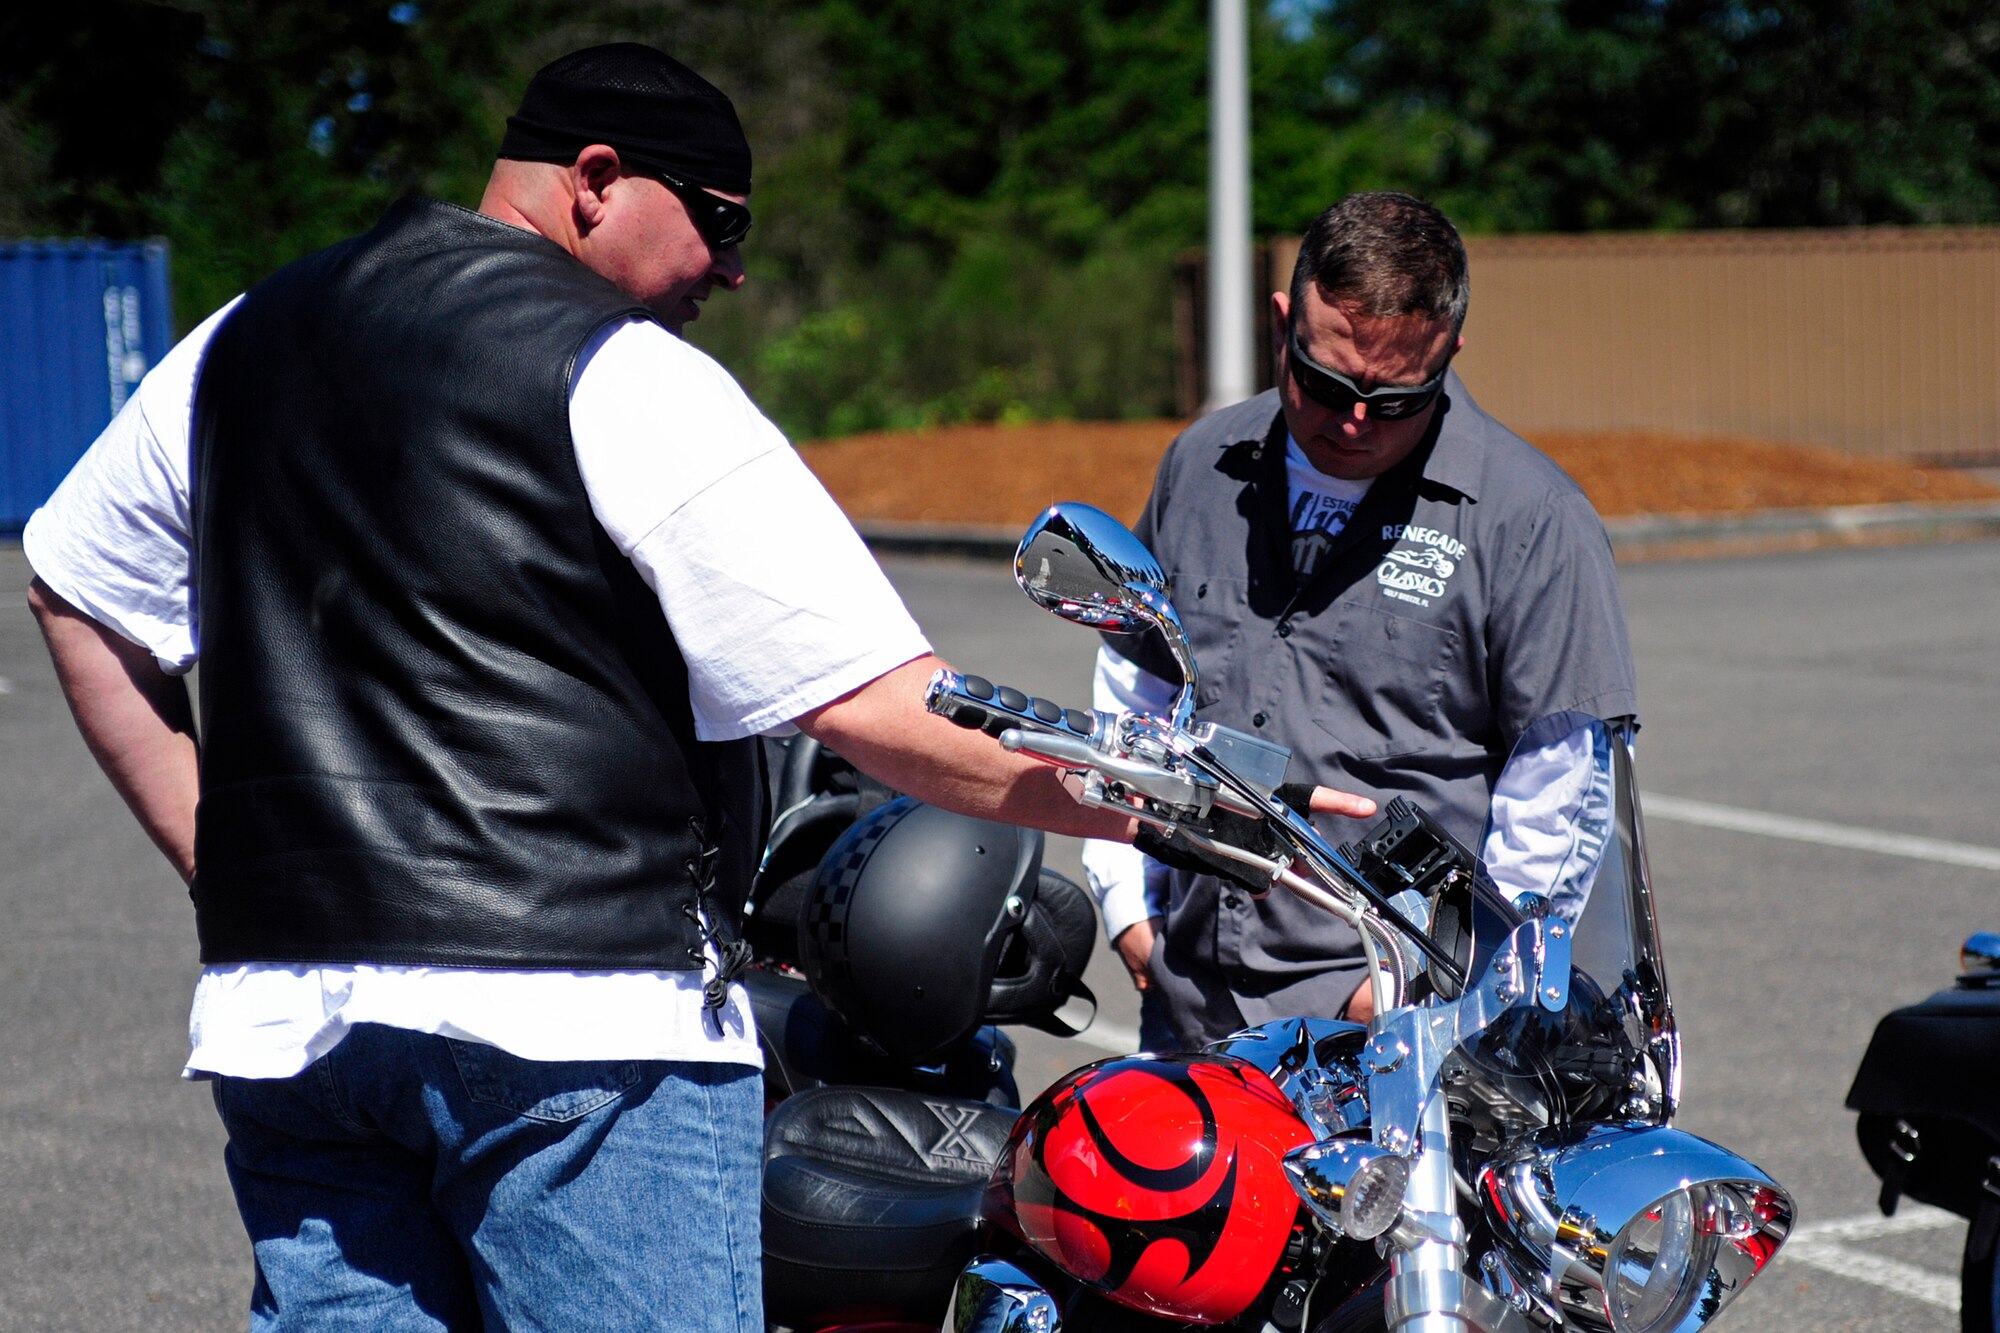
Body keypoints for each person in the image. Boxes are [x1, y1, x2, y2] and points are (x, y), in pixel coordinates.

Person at [24, 43, 1373, 1332]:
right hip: (580, 1023)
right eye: (719, 223)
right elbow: (888, 713)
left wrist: (229, 861)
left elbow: (71, 587)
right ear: (596, 179)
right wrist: (1196, 806)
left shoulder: (238, 341)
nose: (727, 274)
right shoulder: (621, 376)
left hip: (297, 1021)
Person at [1082, 191, 1639, 1052]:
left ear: (1450, 352)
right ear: (1281, 326)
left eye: (1395, 400)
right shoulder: (1200, 465)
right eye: (1326, 382)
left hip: (1385, 1034)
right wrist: (1127, 906)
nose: (1351, 421)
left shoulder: (1532, 521)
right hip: (1189, 999)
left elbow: (1561, 801)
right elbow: (1137, 687)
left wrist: (1442, 994)